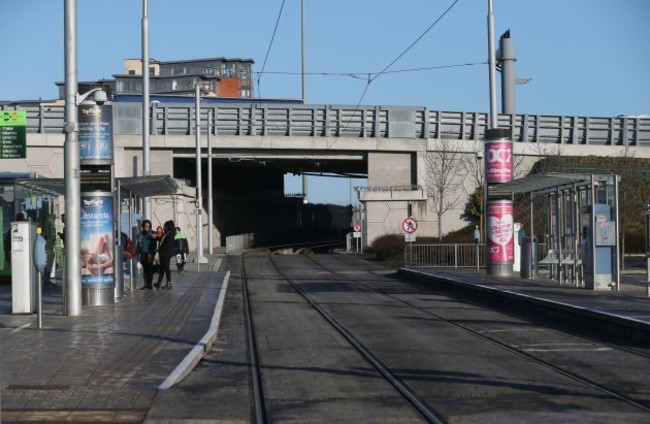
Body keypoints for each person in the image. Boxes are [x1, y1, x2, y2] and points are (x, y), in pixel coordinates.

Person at [154, 220, 175, 289]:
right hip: (164, 254)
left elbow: (167, 245)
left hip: (166, 254)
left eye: (165, 226)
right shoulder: (167, 233)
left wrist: (160, 250)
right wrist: (156, 237)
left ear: (167, 226)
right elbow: (161, 240)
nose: (163, 227)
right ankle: (158, 283)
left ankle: (169, 283)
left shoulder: (170, 234)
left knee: (166, 268)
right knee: (162, 269)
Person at [136, 220, 157, 290]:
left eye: (149, 226)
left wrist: (154, 253)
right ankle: (145, 284)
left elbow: (155, 243)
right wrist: (138, 253)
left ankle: (149, 284)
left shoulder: (152, 233)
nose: (147, 227)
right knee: (145, 269)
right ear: (143, 226)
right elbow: (138, 244)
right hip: (142, 254)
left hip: (149, 253)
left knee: (150, 269)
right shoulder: (140, 234)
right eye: (146, 226)